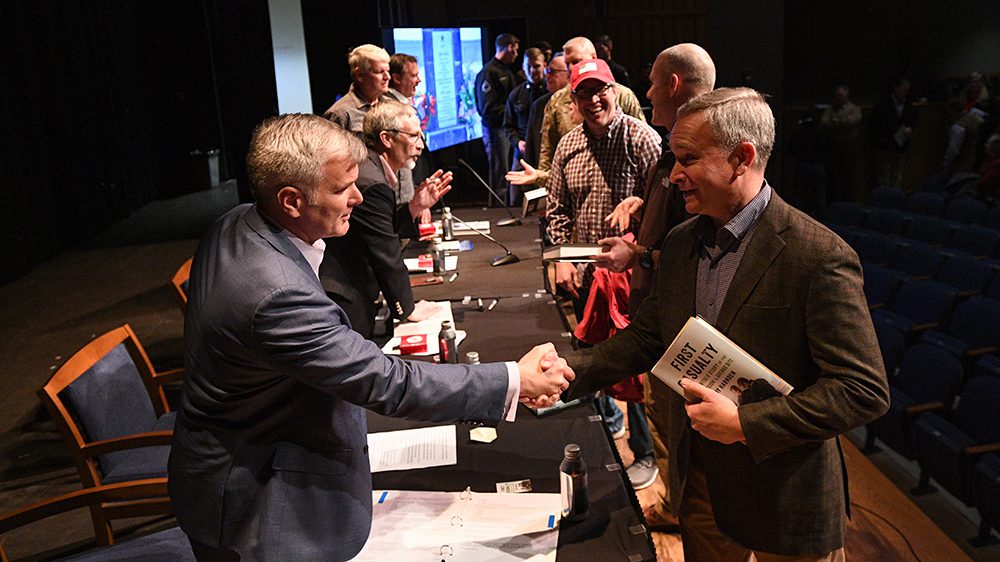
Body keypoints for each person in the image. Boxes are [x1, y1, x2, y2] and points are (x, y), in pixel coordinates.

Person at [168, 113, 574, 560]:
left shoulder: (239, 221)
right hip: (256, 503)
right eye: (342, 189)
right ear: (291, 200)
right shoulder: (274, 292)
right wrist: (513, 379)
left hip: (237, 456)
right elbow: (386, 381)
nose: (358, 197)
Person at [563, 88, 889, 561]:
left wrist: (745, 423)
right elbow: (650, 337)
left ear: (742, 158)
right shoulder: (679, 244)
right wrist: (568, 372)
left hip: (786, 495)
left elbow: (862, 390)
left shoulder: (818, 256)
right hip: (702, 486)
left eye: (687, 159)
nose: (673, 175)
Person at [590, 42, 716, 528]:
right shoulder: (673, 151)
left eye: (650, 82)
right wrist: (641, 206)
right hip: (659, 316)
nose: (642, 92)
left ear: (674, 85)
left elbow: (702, 253)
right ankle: (672, 505)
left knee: (677, 427)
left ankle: (678, 509)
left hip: (684, 325)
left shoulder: (698, 147)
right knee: (664, 422)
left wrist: (637, 254)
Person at [546, 58, 662, 492]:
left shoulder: (641, 137)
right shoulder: (568, 145)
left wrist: (636, 205)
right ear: (573, 100)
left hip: (634, 275)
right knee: (595, 353)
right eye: (583, 93)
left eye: (601, 90)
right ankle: (609, 425)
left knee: (635, 362)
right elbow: (556, 210)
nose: (594, 100)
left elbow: (666, 206)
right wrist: (560, 259)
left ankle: (646, 451)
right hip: (587, 271)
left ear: (614, 90)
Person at [320, 101, 450, 342]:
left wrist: (414, 207)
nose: (420, 144)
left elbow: (377, 227)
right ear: (386, 139)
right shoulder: (372, 182)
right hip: (343, 288)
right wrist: (407, 309)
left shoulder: (372, 167)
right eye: (413, 136)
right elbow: (386, 252)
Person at [506, 36, 646, 191]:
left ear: (594, 58)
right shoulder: (557, 101)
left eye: (576, 62)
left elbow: (640, 143)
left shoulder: (622, 95)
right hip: (573, 192)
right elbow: (547, 153)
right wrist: (543, 191)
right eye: (567, 63)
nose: (571, 68)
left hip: (620, 187)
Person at [475, 33, 520, 206]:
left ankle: (507, 207)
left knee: (506, 170)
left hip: (506, 129)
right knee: (499, 171)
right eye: (515, 50)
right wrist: (510, 113)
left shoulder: (506, 70)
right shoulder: (489, 72)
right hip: (495, 130)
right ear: (509, 48)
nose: (516, 54)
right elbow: (487, 109)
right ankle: (498, 210)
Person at [503, 47, 548, 206]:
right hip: (522, 152)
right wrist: (518, 142)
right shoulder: (516, 95)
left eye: (536, 66)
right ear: (523, 68)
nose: (532, 70)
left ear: (544, 65)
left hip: (546, 152)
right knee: (515, 197)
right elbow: (508, 126)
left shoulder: (552, 93)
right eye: (528, 66)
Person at [323, 44, 391, 134]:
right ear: (359, 75)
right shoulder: (340, 114)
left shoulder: (391, 105)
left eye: (388, 71)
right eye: (379, 72)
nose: (387, 77)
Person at [869, 76, 919, 188]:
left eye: (907, 90)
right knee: (884, 174)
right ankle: (885, 196)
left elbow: (915, 120)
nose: (906, 92)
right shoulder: (882, 103)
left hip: (901, 144)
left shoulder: (909, 104)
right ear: (896, 88)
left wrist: (911, 128)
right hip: (885, 145)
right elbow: (874, 123)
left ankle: (895, 196)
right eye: (903, 89)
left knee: (898, 173)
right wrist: (881, 139)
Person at [523, 53, 569, 169]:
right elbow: (531, 147)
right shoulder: (539, 105)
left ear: (568, 74)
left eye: (552, 72)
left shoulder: (582, 104)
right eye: (547, 71)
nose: (547, 76)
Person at [820, 85, 862, 203]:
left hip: (848, 148)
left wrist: (837, 121)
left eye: (841, 95)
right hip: (833, 148)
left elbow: (853, 120)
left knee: (847, 179)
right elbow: (825, 121)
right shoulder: (831, 109)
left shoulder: (854, 108)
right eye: (837, 95)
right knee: (832, 179)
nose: (838, 98)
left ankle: (848, 204)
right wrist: (841, 121)